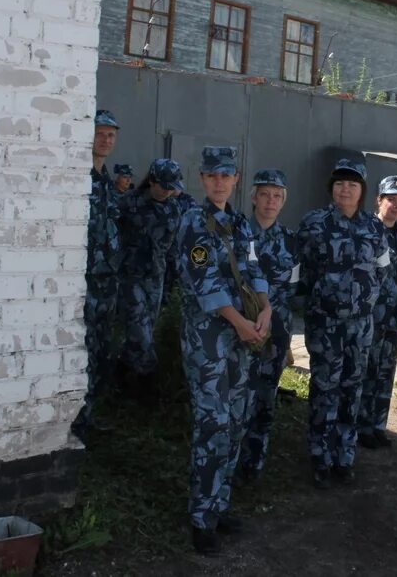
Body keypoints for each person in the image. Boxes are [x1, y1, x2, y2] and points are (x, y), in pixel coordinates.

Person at [176, 146, 271, 555]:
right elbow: (206, 286)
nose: (219, 182)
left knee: (234, 422)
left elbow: (254, 269)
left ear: (236, 180)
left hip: (242, 340)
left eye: (226, 175)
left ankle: (220, 504)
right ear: (203, 179)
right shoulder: (193, 223)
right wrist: (242, 323)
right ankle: (201, 518)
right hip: (209, 342)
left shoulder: (239, 223)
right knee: (212, 424)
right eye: (212, 176)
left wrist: (265, 308)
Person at [297, 159, 389, 488]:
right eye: (339, 183)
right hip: (325, 325)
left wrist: (365, 300)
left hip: (360, 326)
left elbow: (382, 267)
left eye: (352, 184)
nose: (345, 189)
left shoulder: (374, 227)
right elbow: (301, 271)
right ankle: (320, 457)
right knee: (324, 389)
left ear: (362, 190)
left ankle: (344, 457)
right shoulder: (313, 223)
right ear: (331, 188)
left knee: (352, 390)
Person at [238, 169, 300, 483]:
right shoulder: (237, 232)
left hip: (276, 330)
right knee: (239, 395)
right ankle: (231, 463)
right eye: (264, 194)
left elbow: (293, 287)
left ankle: (254, 464)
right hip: (240, 329)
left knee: (265, 397)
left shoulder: (291, 241)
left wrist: (280, 330)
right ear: (253, 197)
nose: (270, 201)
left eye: (277, 196)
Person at [72, 110, 122, 440]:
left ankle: (89, 415)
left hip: (107, 279)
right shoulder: (78, 176)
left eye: (110, 135)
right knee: (82, 349)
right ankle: (77, 420)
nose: (105, 140)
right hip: (83, 278)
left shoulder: (106, 181)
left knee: (101, 349)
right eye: (100, 133)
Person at [118, 158, 184, 399]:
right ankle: (149, 387)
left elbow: (173, 248)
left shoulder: (174, 208)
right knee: (140, 331)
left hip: (156, 278)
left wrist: (173, 281)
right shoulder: (128, 203)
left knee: (144, 330)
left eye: (172, 187)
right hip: (130, 276)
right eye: (164, 186)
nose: (168, 191)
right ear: (152, 181)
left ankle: (122, 373)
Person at [358, 175, 397, 450]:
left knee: (385, 374)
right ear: (379, 200)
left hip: (394, 318)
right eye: (392, 199)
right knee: (367, 372)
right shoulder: (367, 231)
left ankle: (378, 425)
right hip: (371, 317)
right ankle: (362, 427)